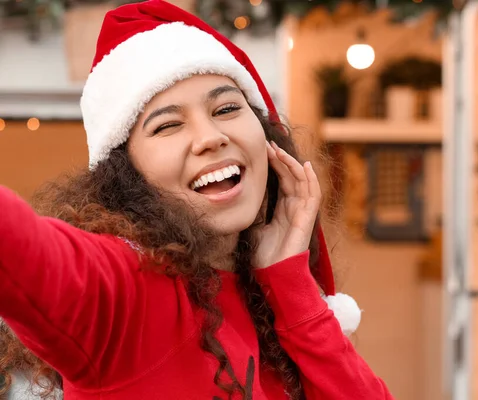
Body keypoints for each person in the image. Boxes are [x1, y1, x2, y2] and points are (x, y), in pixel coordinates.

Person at [0, 1, 394, 399]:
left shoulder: (269, 297)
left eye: (226, 108)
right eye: (168, 125)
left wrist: (290, 283)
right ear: (125, 173)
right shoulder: (121, 291)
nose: (210, 137)